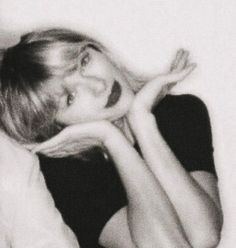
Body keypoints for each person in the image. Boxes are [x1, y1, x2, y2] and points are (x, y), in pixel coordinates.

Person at [0, 28, 222, 248]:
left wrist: (142, 121)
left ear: (97, 49)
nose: (98, 85)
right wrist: (113, 140)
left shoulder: (181, 111)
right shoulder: (63, 172)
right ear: (56, 126)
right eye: (70, 97)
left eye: (84, 62)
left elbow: (205, 236)